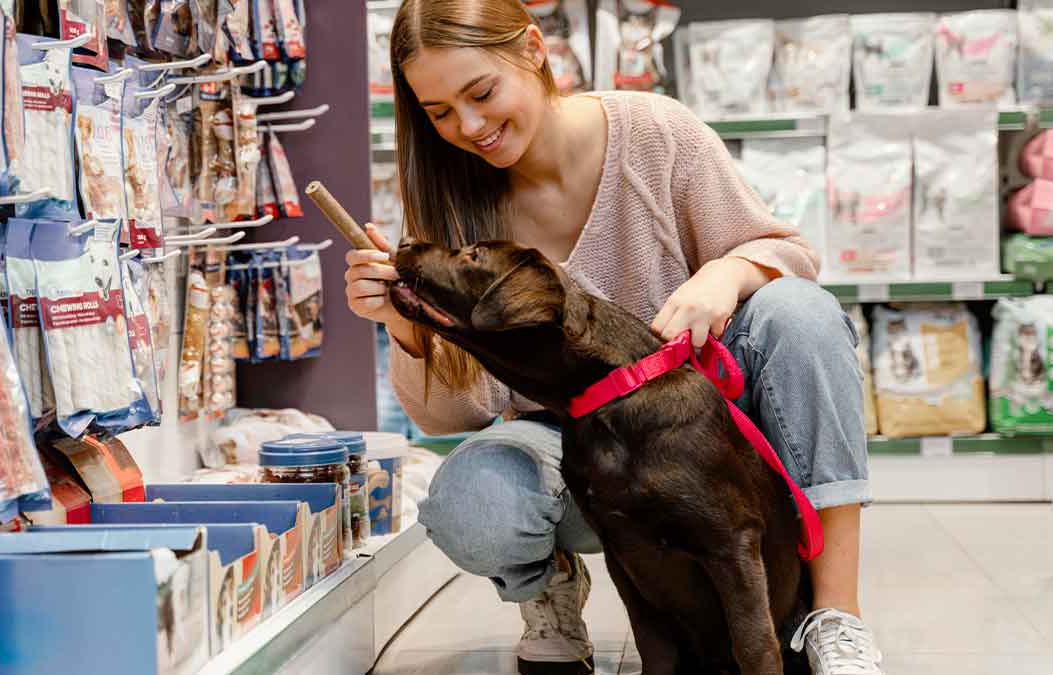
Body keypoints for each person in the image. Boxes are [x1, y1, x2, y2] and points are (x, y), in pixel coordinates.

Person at [344, 2, 882, 674]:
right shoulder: (453, 202)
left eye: (480, 93)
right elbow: (463, 412)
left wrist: (727, 270)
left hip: (703, 435)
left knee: (800, 312)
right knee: (470, 504)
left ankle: (835, 613)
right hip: (573, 447)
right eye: (440, 112)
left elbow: (792, 255)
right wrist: (409, 327)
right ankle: (551, 594)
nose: (470, 126)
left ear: (534, 50)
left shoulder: (655, 134)